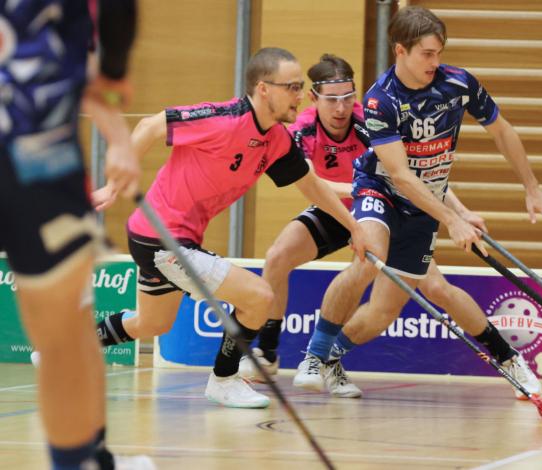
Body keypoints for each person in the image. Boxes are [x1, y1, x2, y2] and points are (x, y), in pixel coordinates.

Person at [292, 6, 542, 401]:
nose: (435, 62)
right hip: (382, 191)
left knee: (384, 312)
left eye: (439, 53)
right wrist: (452, 220)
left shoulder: (459, 83)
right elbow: (402, 176)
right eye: (427, 54)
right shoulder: (381, 100)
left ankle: (334, 356)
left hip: (424, 206)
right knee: (368, 258)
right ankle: (315, 355)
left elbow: (502, 131)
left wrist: (532, 187)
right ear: (400, 50)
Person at [90, 47, 369, 410]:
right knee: (259, 296)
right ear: (263, 88)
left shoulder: (277, 140)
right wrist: (113, 185)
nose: (300, 96)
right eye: (292, 87)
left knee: (151, 324)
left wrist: (354, 227)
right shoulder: (222, 119)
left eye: (300, 87)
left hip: (168, 237)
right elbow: (149, 127)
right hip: (162, 237)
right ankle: (224, 379)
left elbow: (311, 185)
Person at [240, 54, 527, 402]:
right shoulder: (301, 129)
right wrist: (358, 190)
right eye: (332, 100)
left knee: (431, 290)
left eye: (348, 97)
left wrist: (461, 213)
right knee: (278, 256)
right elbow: (310, 182)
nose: (341, 108)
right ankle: (268, 351)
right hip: (336, 209)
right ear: (314, 98)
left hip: (389, 211)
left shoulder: (371, 118)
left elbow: (420, 175)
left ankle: (331, 358)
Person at [0, 0, 154, 468]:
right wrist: (114, 84)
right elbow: (114, 21)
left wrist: (119, 136)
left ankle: (93, 458)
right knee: (62, 338)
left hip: (34, 151)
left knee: (72, 328)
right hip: (35, 152)